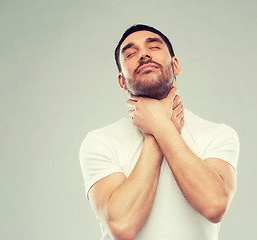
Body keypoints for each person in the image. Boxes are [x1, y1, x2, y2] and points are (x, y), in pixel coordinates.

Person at [79, 24, 240, 240]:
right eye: (131, 53)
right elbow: (122, 226)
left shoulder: (217, 135)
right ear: (121, 81)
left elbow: (214, 205)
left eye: (153, 47)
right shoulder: (100, 142)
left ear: (176, 65)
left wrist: (160, 126)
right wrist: (159, 128)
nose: (143, 55)